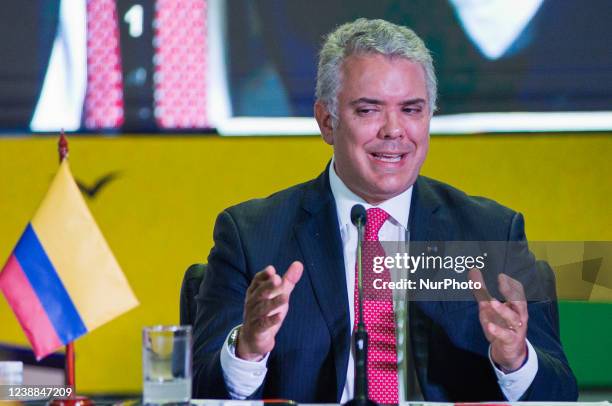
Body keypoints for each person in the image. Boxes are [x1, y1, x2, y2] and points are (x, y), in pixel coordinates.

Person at [193, 18, 577, 403]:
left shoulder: (491, 232)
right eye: (368, 110)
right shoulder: (250, 236)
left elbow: (560, 393)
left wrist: (514, 360)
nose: (394, 130)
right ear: (328, 121)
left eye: (412, 109)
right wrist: (247, 348)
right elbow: (200, 389)